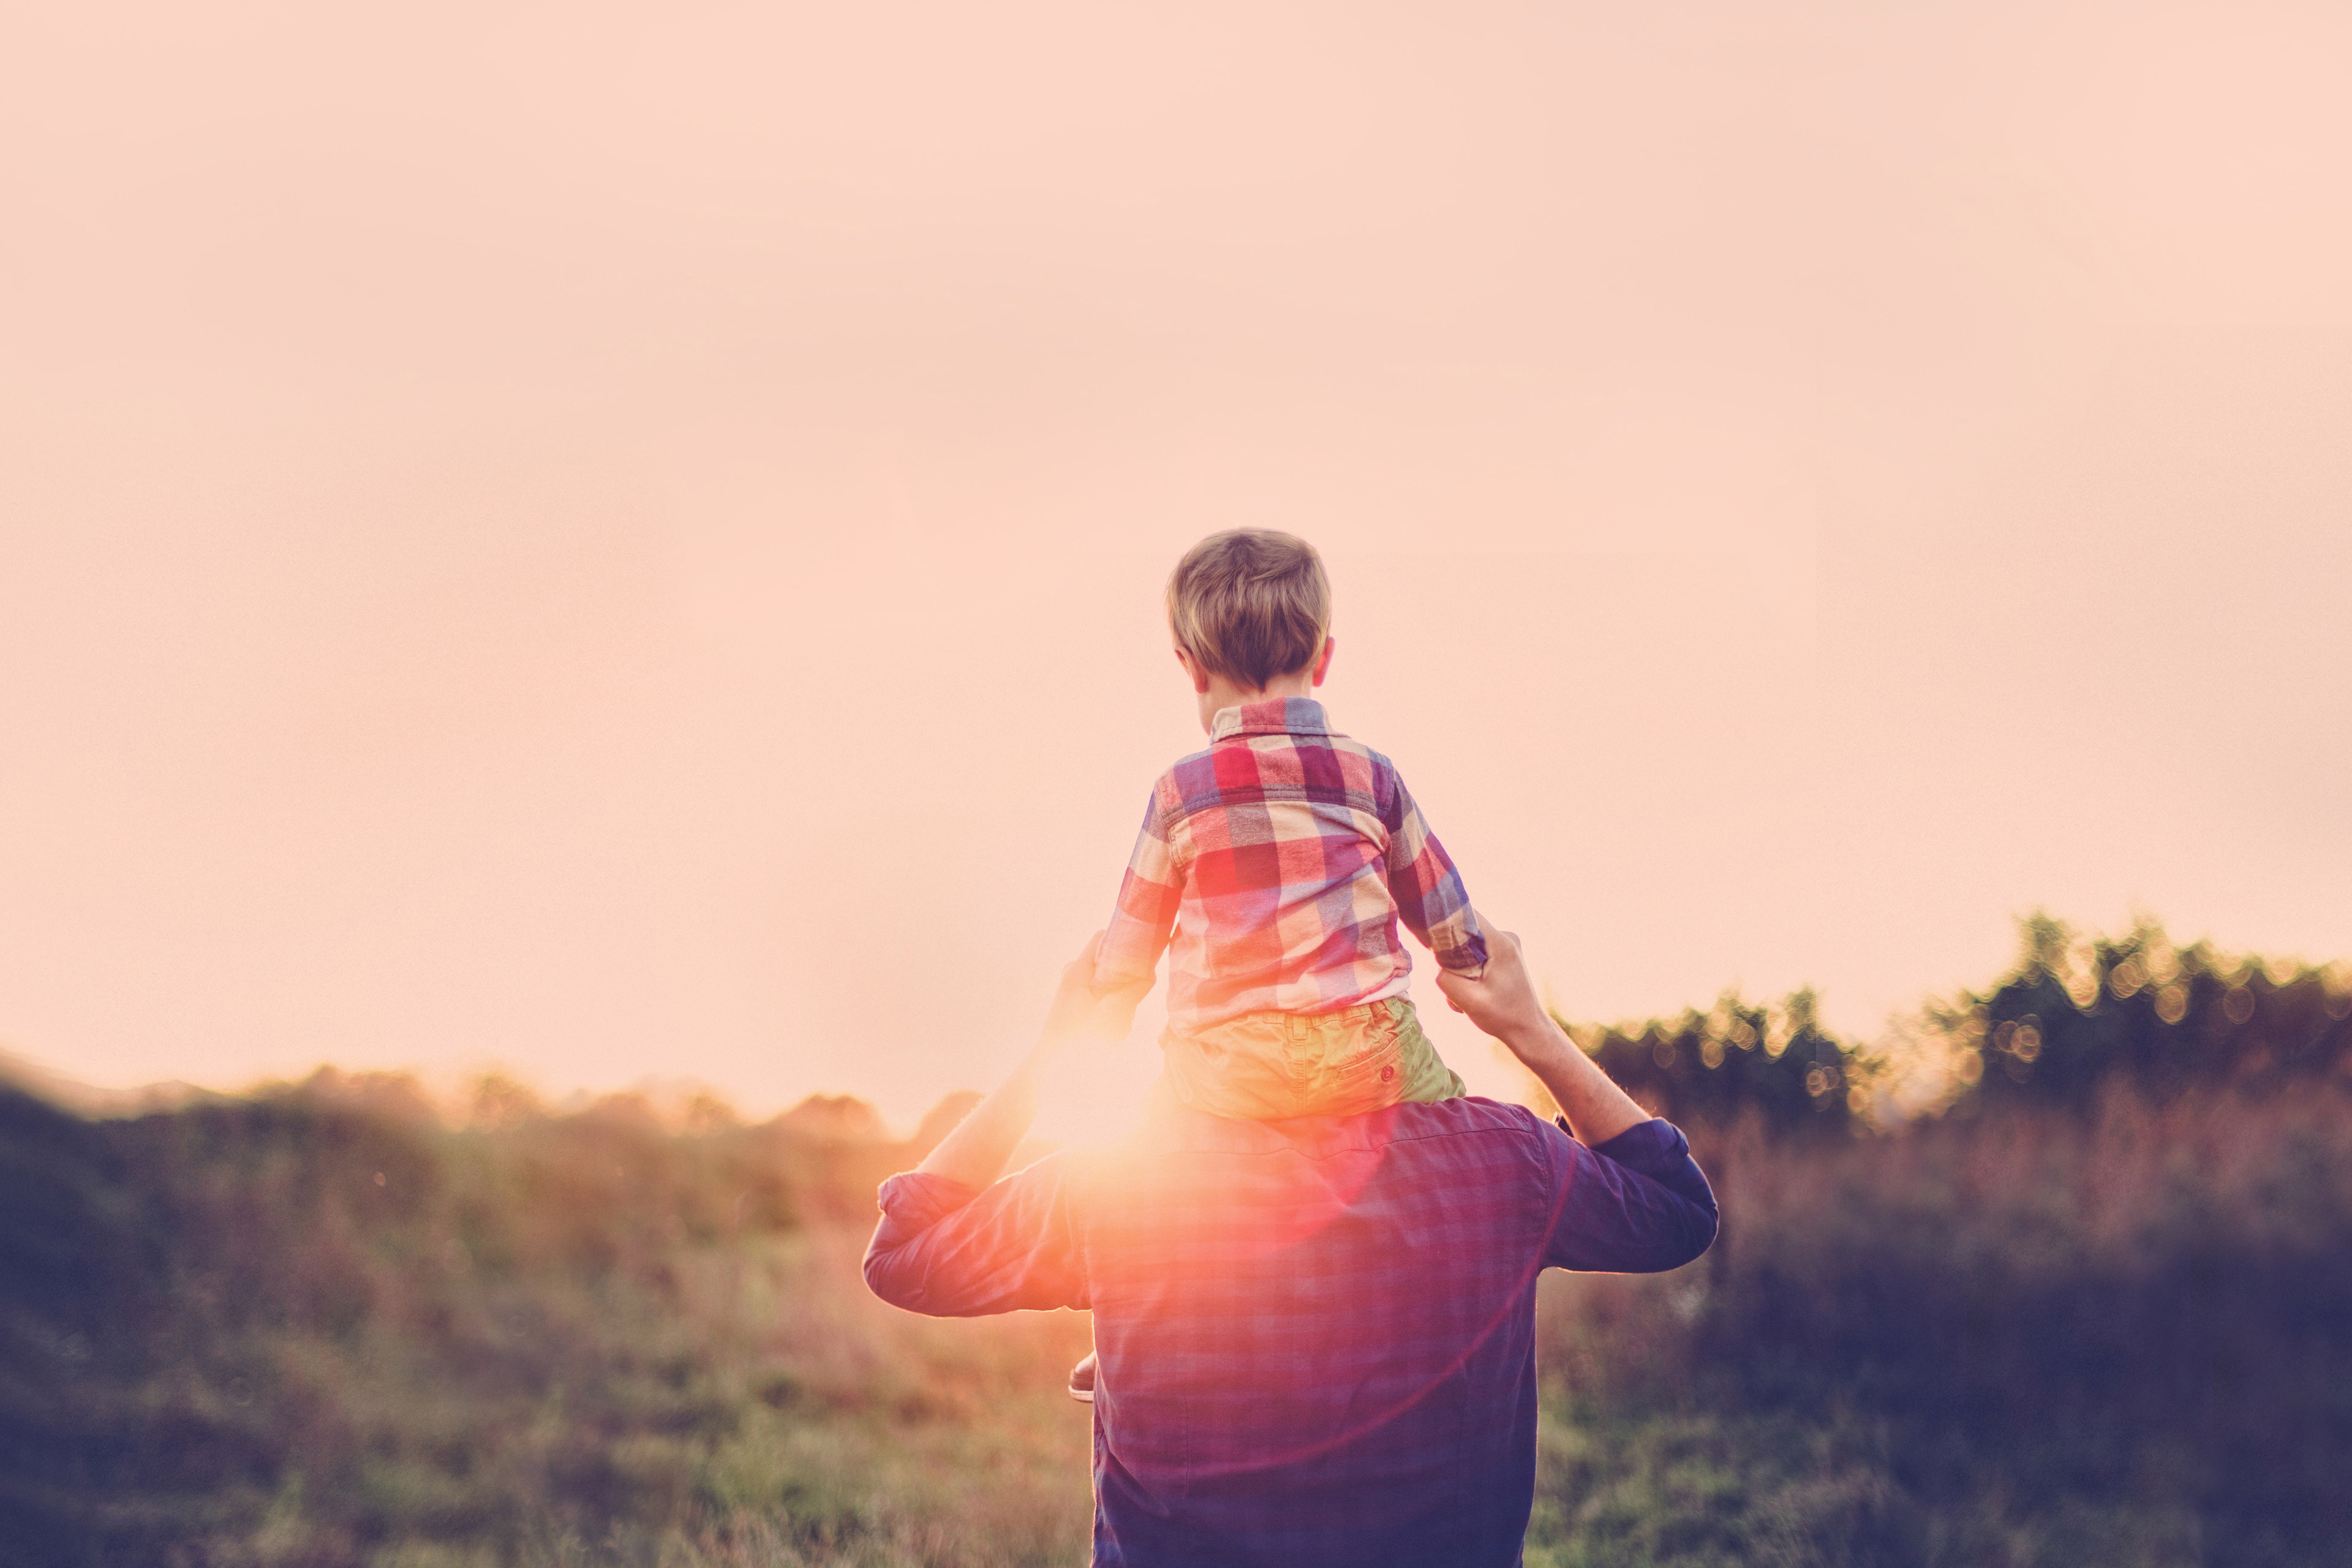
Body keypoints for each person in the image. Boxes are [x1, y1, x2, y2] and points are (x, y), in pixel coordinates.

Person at [863, 929, 1718, 1568]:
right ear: (1383, 989)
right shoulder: (1504, 1161)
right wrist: (1529, 1028)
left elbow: (903, 1252)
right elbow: (1678, 1209)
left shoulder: (1122, 1180)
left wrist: (1052, 1051)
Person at [1074, 529, 1490, 1395]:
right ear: (1326, 660)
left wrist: (1103, 1006)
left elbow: (1127, 953)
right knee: (1461, 1130)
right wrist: (1469, 958)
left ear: (1190, 668)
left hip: (1225, 1072)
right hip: (1368, 1053)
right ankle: (1461, 1283)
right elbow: (1449, 923)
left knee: (1150, 1166)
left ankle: (1128, 1317)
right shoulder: (1374, 780)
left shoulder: (1181, 791)